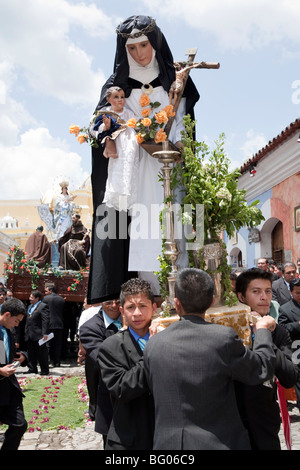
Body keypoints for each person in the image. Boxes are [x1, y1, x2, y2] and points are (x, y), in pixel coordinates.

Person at [87, 15, 200, 304]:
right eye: (132, 47)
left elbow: (183, 120)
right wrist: (109, 136)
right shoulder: (116, 85)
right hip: (133, 165)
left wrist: (179, 143)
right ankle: (148, 297)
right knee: (139, 227)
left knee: (174, 222)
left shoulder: (175, 79)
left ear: (156, 43)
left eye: (144, 45)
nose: (139, 53)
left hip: (167, 162)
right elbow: (99, 122)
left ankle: (181, 293)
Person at [143, 268, 279, 450]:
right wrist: (262, 330)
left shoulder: (154, 343)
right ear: (212, 301)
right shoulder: (223, 338)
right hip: (217, 443)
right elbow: (261, 368)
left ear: (176, 303)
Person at [235, 268, 298, 450]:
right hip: (234, 423)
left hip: (265, 423)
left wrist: (265, 334)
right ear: (241, 297)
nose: (264, 297)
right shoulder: (229, 330)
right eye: (256, 292)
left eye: (268, 291)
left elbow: (290, 377)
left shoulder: (278, 331)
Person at [98, 278, 157, 450]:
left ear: (153, 307)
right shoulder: (111, 347)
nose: (137, 313)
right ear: (122, 311)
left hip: (164, 437)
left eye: (143, 306)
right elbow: (123, 388)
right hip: (129, 440)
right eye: (131, 307)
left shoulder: (168, 338)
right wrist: (151, 349)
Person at [79, 298, 122, 445]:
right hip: (109, 395)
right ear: (101, 304)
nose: (114, 306)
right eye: (109, 302)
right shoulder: (90, 327)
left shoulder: (134, 319)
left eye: (118, 302)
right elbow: (103, 360)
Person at [90, 86, 140, 211]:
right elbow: (94, 128)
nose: (120, 100)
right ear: (108, 99)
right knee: (116, 174)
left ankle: (128, 200)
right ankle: (118, 202)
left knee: (128, 173)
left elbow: (137, 123)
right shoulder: (105, 112)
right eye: (116, 97)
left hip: (129, 146)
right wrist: (106, 128)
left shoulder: (128, 113)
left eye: (122, 97)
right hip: (115, 147)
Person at [0, 298, 28, 450]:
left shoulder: (7, 330)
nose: (17, 325)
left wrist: (22, 356)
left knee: (20, 424)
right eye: (16, 321)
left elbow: (3, 355)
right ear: (7, 315)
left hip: (8, 388)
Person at [278, 278, 300, 409]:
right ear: (291, 292)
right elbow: (283, 328)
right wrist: (297, 325)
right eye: (297, 293)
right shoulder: (285, 309)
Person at [24, 290, 50, 375]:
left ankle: (44, 370)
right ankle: (32, 368)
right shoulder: (30, 307)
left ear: (37, 298)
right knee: (31, 352)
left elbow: (45, 321)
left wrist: (45, 333)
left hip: (39, 334)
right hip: (30, 333)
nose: (29, 299)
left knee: (41, 353)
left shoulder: (43, 306)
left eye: (31, 297)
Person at [43, 283, 65, 367]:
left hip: (49, 324)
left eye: (46, 291)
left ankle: (47, 361)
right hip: (59, 324)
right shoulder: (61, 299)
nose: (45, 293)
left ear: (50, 290)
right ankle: (57, 362)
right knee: (57, 344)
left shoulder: (45, 299)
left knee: (47, 344)